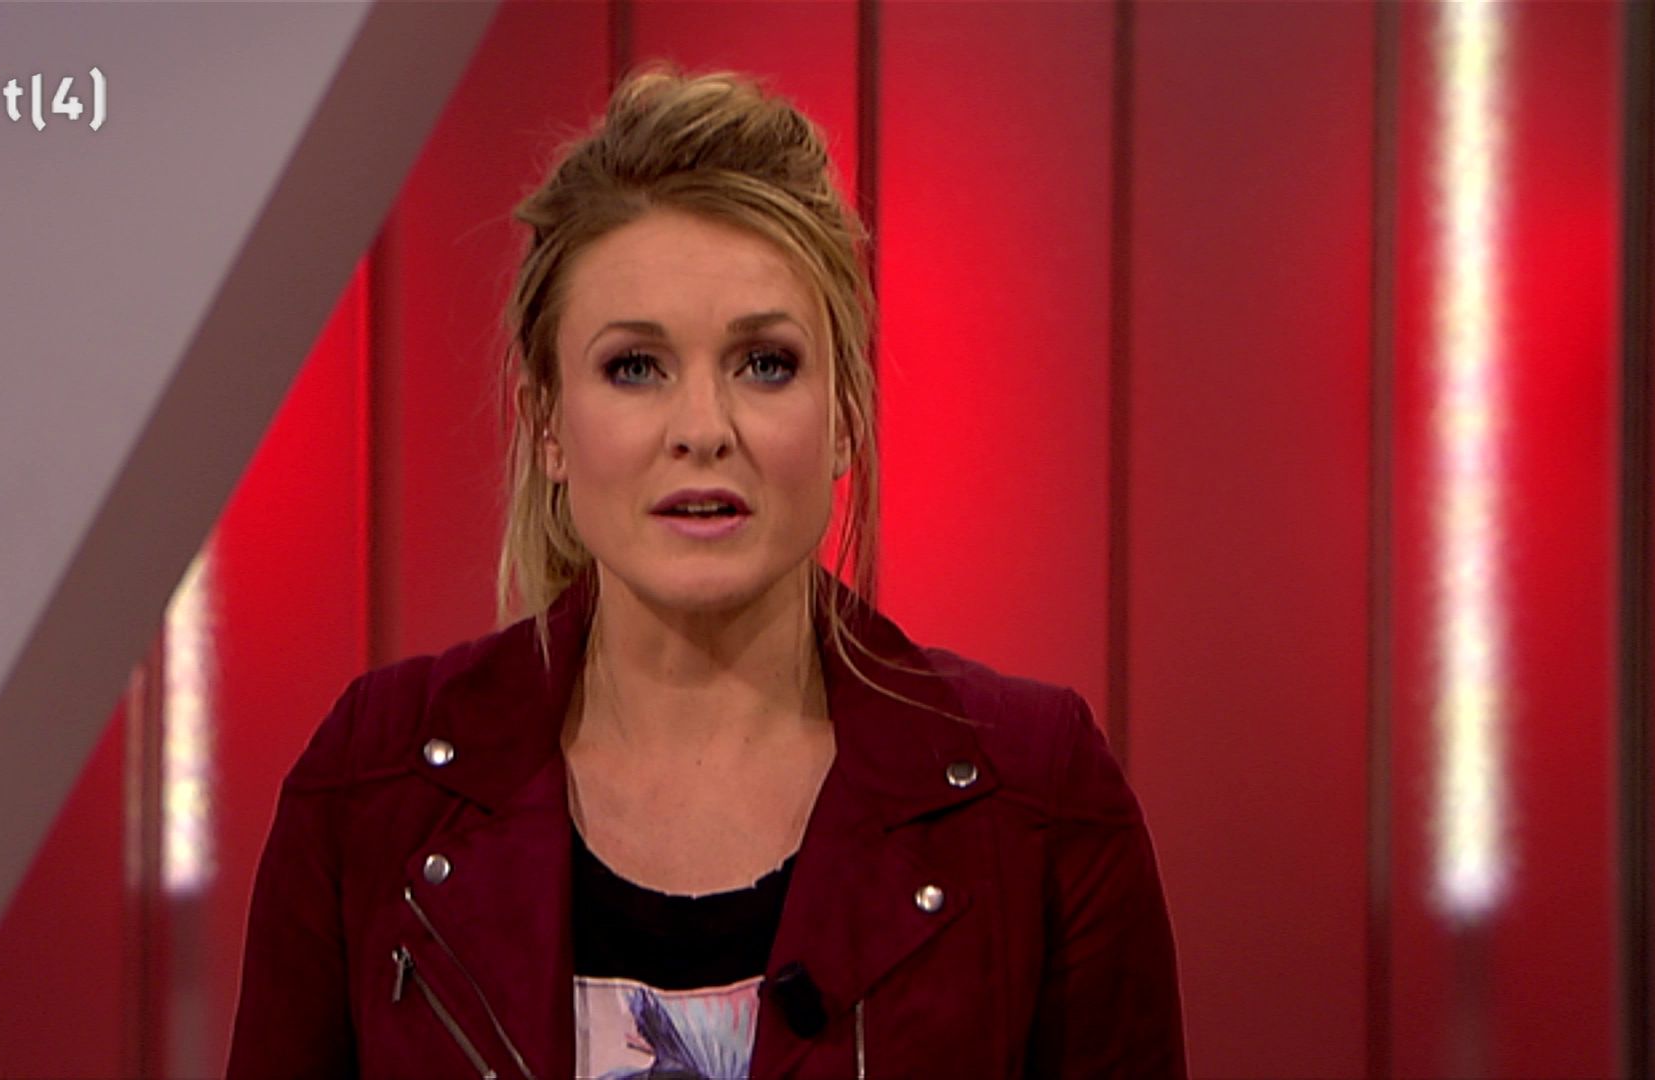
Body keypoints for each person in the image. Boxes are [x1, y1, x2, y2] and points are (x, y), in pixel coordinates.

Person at [228, 68, 1184, 1080]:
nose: (702, 429)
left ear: (844, 416)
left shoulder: (1033, 800)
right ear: (548, 422)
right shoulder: (374, 787)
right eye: (634, 367)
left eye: (764, 363)